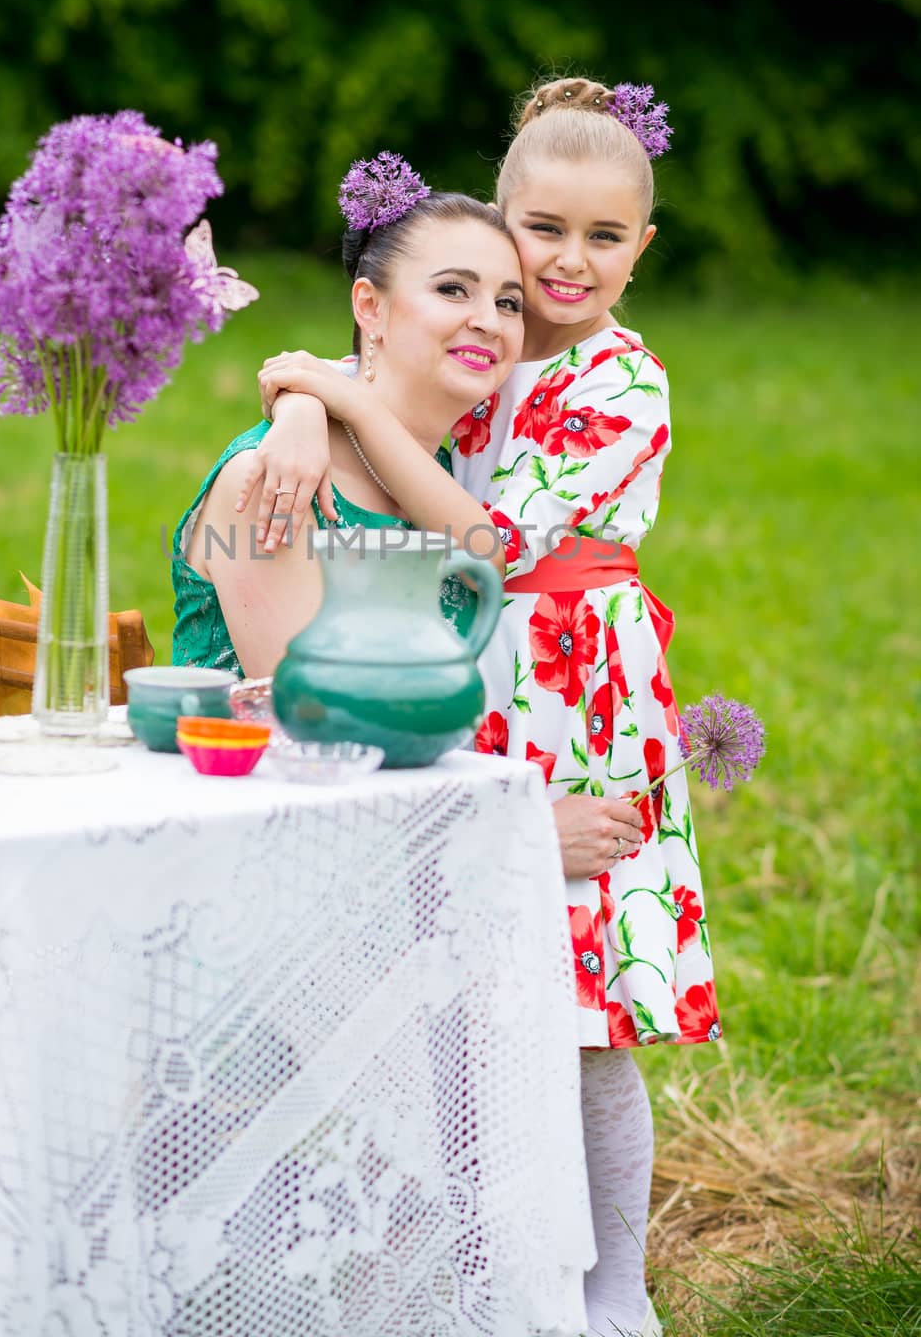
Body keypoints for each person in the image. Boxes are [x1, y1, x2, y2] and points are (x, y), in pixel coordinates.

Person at [251, 77, 720, 1337]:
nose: (570, 261)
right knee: (474, 999)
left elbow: (497, 538)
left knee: (581, 1021)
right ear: (502, 224)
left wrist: (331, 395)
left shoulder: (625, 383)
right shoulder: (489, 358)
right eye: (544, 232)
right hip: (471, 671)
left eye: (605, 236)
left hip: (580, 693)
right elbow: (373, 374)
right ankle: (488, 1263)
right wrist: (313, 397)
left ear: (642, 248)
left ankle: (611, 1289)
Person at [172, 170, 524, 676]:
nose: (489, 321)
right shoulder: (279, 475)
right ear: (370, 306)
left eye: (508, 303)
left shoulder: (457, 473)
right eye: (453, 289)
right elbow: (307, 707)